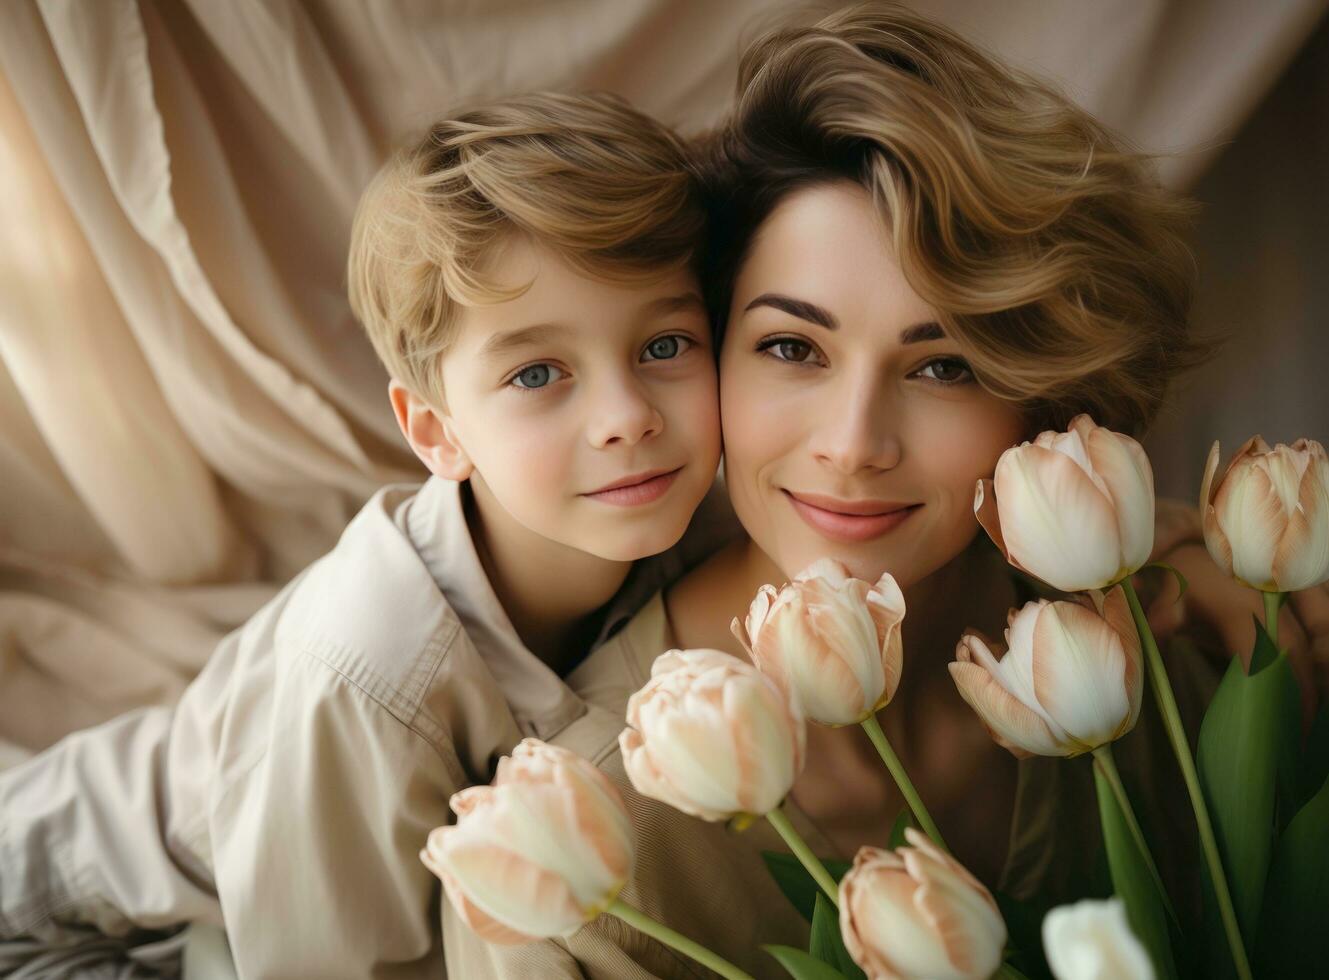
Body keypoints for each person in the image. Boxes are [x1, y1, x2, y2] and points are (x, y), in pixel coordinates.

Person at [439, 5, 1329, 978]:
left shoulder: (1186, 665)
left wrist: (1192, 564)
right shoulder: (571, 847)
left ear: (1044, 399)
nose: (855, 444)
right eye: (792, 347)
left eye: (943, 366)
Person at [0, 91, 726, 979]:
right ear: (434, 432)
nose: (625, 417)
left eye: (664, 345)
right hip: (71, 922)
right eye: (538, 372)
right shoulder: (371, 676)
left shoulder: (688, 519)